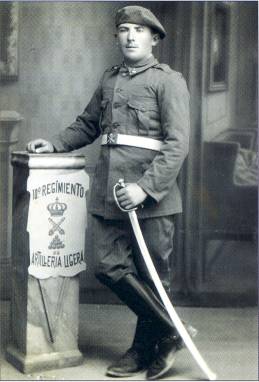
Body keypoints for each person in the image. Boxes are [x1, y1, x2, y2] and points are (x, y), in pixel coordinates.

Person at [27, 5, 194, 380]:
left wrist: (145, 189)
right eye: (124, 29)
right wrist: (55, 144)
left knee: (152, 278)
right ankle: (171, 330)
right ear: (118, 37)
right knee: (109, 266)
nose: (131, 36)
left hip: (153, 198)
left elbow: (177, 144)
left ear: (154, 39)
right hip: (110, 193)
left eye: (139, 30)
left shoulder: (169, 81)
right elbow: (88, 124)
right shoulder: (109, 79)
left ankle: (141, 350)